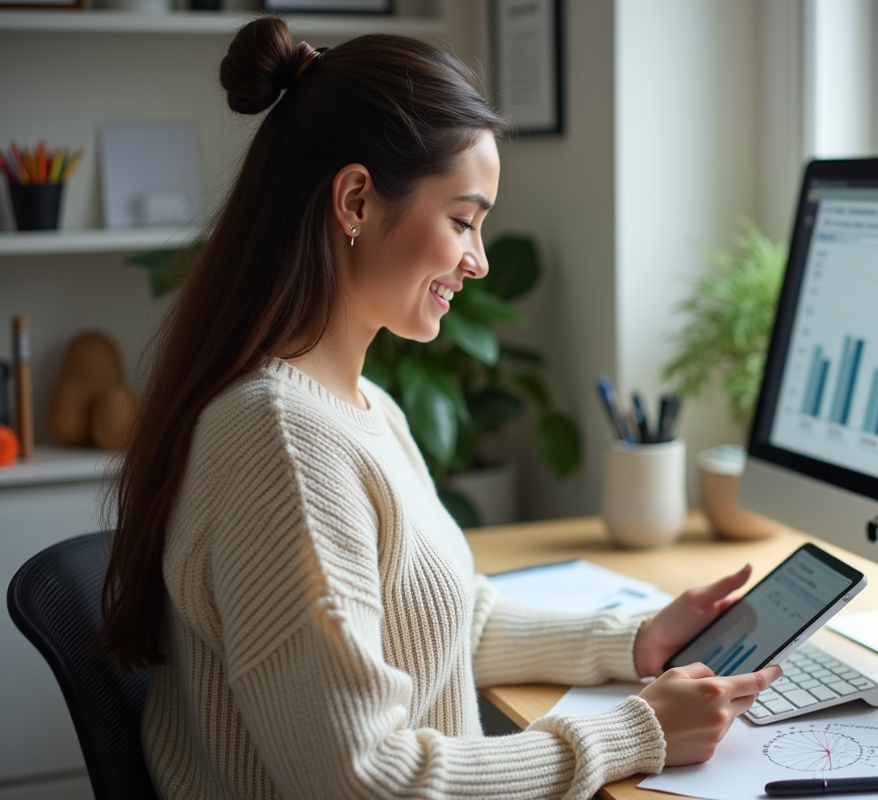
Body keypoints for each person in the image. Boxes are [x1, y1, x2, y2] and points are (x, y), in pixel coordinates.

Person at [97, 17, 780, 800]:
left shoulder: (361, 407)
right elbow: (362, 779)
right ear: (355, 200)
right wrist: (634, 733)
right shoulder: (282, 442)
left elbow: (440, 623)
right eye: (462, 220)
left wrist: (635, 641)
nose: (479, 260)